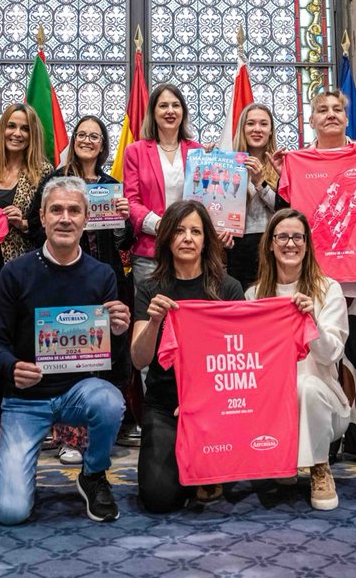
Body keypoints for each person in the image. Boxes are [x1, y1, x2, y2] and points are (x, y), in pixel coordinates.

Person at [0, 176, 131, 525]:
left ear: (86, 218)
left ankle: (93, 474)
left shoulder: (102, 275)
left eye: (73, 210)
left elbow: (111, 361)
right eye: (57, 210)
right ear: (42, 216)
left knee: (109, 401)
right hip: (26, 399)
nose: (65, 218)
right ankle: (5, 461)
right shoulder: (15, 272)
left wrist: (118, 332)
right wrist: (12, 367)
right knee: (11, 513)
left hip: (78, 393)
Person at [273, 88, 356, 467]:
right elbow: (285, 215)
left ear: (347, 118)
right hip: (313, 282)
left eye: (337, 110)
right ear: (310, 120)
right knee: (317, 364)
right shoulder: (296, 161)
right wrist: (282, 172)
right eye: (321, 109)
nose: (330, 114)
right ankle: (321, 440)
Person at [27, 115, 136, 462]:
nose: (88, 141)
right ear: (73, 140)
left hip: (105, 278)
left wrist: (124, 218)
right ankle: (66, 433)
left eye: (95, 136)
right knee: (68, 354)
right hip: (61, 278)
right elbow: (34, 227)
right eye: (82, 135)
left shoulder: (111, 184)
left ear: (103, 145)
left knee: (106, 351)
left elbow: (126, 242)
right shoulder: (56, 181)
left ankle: (104, 425)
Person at [131, 200, 246, 513]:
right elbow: (139, 360)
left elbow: (238, 356)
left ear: (206, 239)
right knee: (158, 500)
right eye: (180, 230)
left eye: (196, 231)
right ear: (167, 237)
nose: (187, 238)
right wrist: (154, 321)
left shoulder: (228, 288)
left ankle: (201, 465)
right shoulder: (150, 287)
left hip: (215, 406)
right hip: (165, 403)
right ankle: (189, 466)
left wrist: (206, 403)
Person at [247, 209, 351, 510]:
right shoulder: (254, 294)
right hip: (273, 406)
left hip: (324, 402)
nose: (290, 244)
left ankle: (319, 467)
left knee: (305, 384)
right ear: (270, 243)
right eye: (282, 236)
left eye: (297, 237)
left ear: (307, 244)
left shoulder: (328, 290)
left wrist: (311, 321)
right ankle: (284, 456)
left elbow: (332, 353)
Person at [0, 102, 53, 457]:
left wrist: (24, 222)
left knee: (24, 347)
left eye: (24, 128)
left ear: (33, 134)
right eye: (11, 126)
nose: (17, 134)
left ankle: (31, 425)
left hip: (23, 270)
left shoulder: (44, 173)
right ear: (3, 129)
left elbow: (48, 231)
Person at [122, 83, 205, 287]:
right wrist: (162, 226)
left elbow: (207, 199)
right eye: (163, 106)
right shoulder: (135, 151)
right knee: (150, 313)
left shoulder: (198, 151)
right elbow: (131, 201)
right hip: (150, 250)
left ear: (183, 112)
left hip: (191, 249)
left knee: (187, 313)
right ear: (153, 112)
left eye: (175, 105)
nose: (170, 111)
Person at [228, 103, 285, 287]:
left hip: (272, 246)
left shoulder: (283, 165)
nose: (257, 129)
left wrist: (260, 183)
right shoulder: (228, 164)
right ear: (242, 128)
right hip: (236, 249)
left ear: (271, 131)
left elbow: (284, 211)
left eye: (263, 124)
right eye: (251, 123)